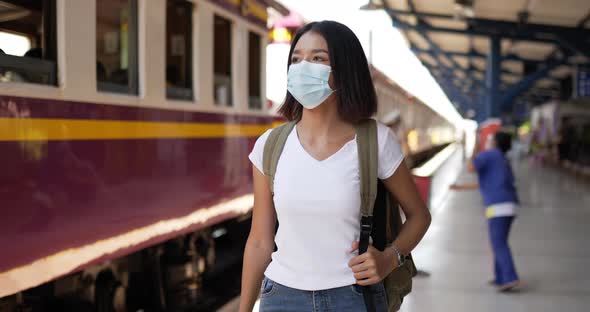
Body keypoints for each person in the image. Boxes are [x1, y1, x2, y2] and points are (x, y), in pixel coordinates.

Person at [239, 21, 431, 312]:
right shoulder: (270, 145)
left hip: (353, 296)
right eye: (296, 58)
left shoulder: (375, 141)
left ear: (344, 70)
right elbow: (259, 242)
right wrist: (243, 309)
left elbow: (419, 216)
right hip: (281, 298)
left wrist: (391, 259)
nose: (303, 66)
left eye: (318, 58)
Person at [451, 131, 521, 292]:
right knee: (498, 242)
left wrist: (474, 147)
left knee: (498, 243)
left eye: (490, 139)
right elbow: (485, 184)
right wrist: (460, 188)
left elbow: (470, 167)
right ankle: (500, 277)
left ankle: (510, 278)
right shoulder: (502, 159)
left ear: (495, 142)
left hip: (497, 206)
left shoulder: (489, 155)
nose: (488, 141)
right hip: (508, 206)